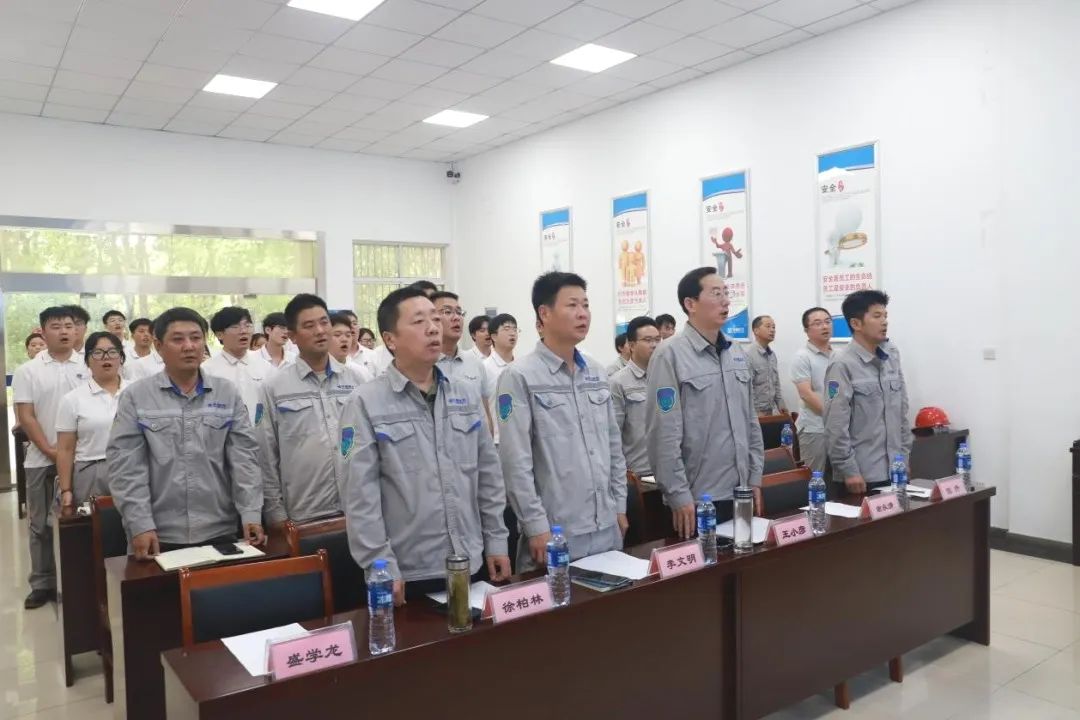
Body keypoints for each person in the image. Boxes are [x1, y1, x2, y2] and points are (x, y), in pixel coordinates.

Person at [342, 286, 510, 604]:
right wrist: (380, 565)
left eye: (435, 319)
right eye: (419, 322)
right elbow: (360, 497)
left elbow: (488, 476)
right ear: (390, 339)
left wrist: (497, 540)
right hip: (407, 573)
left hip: (471, 559)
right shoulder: (364, 403)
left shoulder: (464, 394)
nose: (434, 328)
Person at [107, 307, 264, 559]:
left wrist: (251, 512)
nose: (189, 346)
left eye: (196, 338)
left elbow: (244, 458)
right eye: (178, 339)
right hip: (159, 533)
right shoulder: (136, 397)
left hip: (221, 528)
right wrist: (140, 524)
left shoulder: (227, 393)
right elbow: (126, 468)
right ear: (159, 346)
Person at [497, 272, 628, 570]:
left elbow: (613, 447)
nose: (583, 313)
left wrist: (619, 506)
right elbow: (515, 461)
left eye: (586, 305)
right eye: (572, 305)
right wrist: (535, 525)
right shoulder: (519, 377)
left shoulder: (596, 372)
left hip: (606, 528)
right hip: (555, 535)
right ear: (544, 313)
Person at [645, 267, 763, 536]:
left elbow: (750, 421)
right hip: (698, 498)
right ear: (691, 304)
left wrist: (754, 477)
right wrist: (678, 494)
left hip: (741, 490)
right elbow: (663, 433)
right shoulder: (669, 355)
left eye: (726, 293)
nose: (726, 301)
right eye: (716, 294)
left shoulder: (736, 351)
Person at [260, 295, 366, 528]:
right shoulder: (274, 387)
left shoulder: (357, 380)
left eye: (324, 322)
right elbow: (266, 454)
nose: (320, 331)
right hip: (304, 511)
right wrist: (275, 512)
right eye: (309, 325)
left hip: (357, 506)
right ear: (293, 336)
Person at [12, 306, 87, 608]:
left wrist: (70, 454)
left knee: (80, 523)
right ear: (43, 332)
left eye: (69, 325)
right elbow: (26, 416)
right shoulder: (28, 370)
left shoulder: (88, 365)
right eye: (56, 326)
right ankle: (42, 583)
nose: (65, 331)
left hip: (82, 459)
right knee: (40, 525)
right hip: (41, 460)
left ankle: (79, 582)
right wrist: (52, 451)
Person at [823, 290, 911, 495]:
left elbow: (902, 413)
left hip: (894, 469)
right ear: (856, 323)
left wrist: (904, 458)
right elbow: (835, 424)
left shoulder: (891, 357)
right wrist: (849, 470)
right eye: (877, 316)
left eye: (885, 316)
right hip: (862, 475)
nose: (884, 322)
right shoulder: (842, 364)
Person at [55, 332, 128, 507]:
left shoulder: (137, 392)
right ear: (87, 360)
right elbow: (65, 450)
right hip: (91, 472)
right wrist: (66, 490)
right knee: (94, 523)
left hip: (132, 469)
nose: (106, 357)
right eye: (98, 353)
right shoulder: (72, 399)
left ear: (121, 358)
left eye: (112, 352)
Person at [432, 291, 495, 433]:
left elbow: (485, 414)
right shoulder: (424, 365)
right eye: (447, 312)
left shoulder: (475, 363)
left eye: (459, 312)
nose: (456, 317)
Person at [202, 306, 276, 424]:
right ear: (220, 334)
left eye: (248, 326)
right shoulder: (206, 370)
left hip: (261, 433)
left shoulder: (266, 367)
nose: (244, 331)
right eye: (235, 327)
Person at [609, 316, 660, 477]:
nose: (654, 345)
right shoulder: (618, 382)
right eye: (648, 340)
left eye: (657, 339)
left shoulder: (667, 377)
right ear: (631, 345)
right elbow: (613, 434)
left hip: (669, 473)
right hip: (639, 475)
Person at [790, 307, 835, 473]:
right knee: (815, 478)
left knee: (838, 478)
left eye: (827, 321)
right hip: (814, 428)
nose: (825, 326)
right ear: (806, 330)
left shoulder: (838, 355)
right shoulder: (802, 356)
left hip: (838, 427)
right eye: (818, 323)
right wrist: (834, 415)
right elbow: (806, 394)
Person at [482, 313, 518, 445]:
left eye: (515, 329)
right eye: (506, 329)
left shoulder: (521, 367)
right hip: (497, 441)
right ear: (494, 336)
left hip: (522, 440)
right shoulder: (484, 368)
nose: (512, 333)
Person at [747, 315, 787, 416]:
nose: (772, 330)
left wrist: (781, 404)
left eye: (774, 327)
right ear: (756, 330)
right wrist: (756, 412)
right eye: (768, 326)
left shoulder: (772, 355)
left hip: (771, 411)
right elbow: (747, 388)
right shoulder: (748, 355)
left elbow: (776, 384)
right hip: (755, 413)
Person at [329, 313, 374, 381]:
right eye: (337, 335)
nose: (344, 339)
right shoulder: (316, 369)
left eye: (348, 335)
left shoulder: (360, 373)